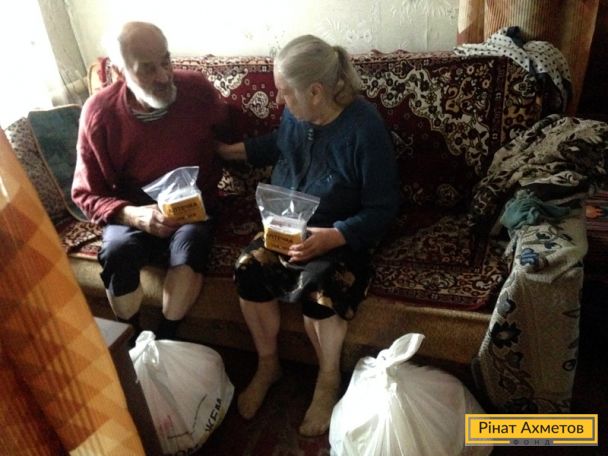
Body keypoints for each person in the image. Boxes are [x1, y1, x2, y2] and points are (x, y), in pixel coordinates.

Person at [216, 34, 400, 436]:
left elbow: (384, 208)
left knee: (321, 287)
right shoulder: (297, 117)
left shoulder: (364, 128)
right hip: (286, 226)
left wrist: (335, 236)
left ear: (316, 91)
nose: (279, 100)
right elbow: (277, 145)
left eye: (285, 92)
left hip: (340, 235)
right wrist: (228, 152)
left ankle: (328, 379)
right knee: (248, 268)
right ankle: (268, 364)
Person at [72, 21, 227, 340]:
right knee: (117, 252)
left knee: (192, 244)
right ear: (120, 72)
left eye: (166, 61)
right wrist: (133, 215)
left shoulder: (197, 90)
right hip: (132, 212)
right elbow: (85, 193)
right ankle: (132, 340)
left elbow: (233, 137)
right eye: (147, 68)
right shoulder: (99, 113)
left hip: (193, 211)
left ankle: (166, 340)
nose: (164, 76)